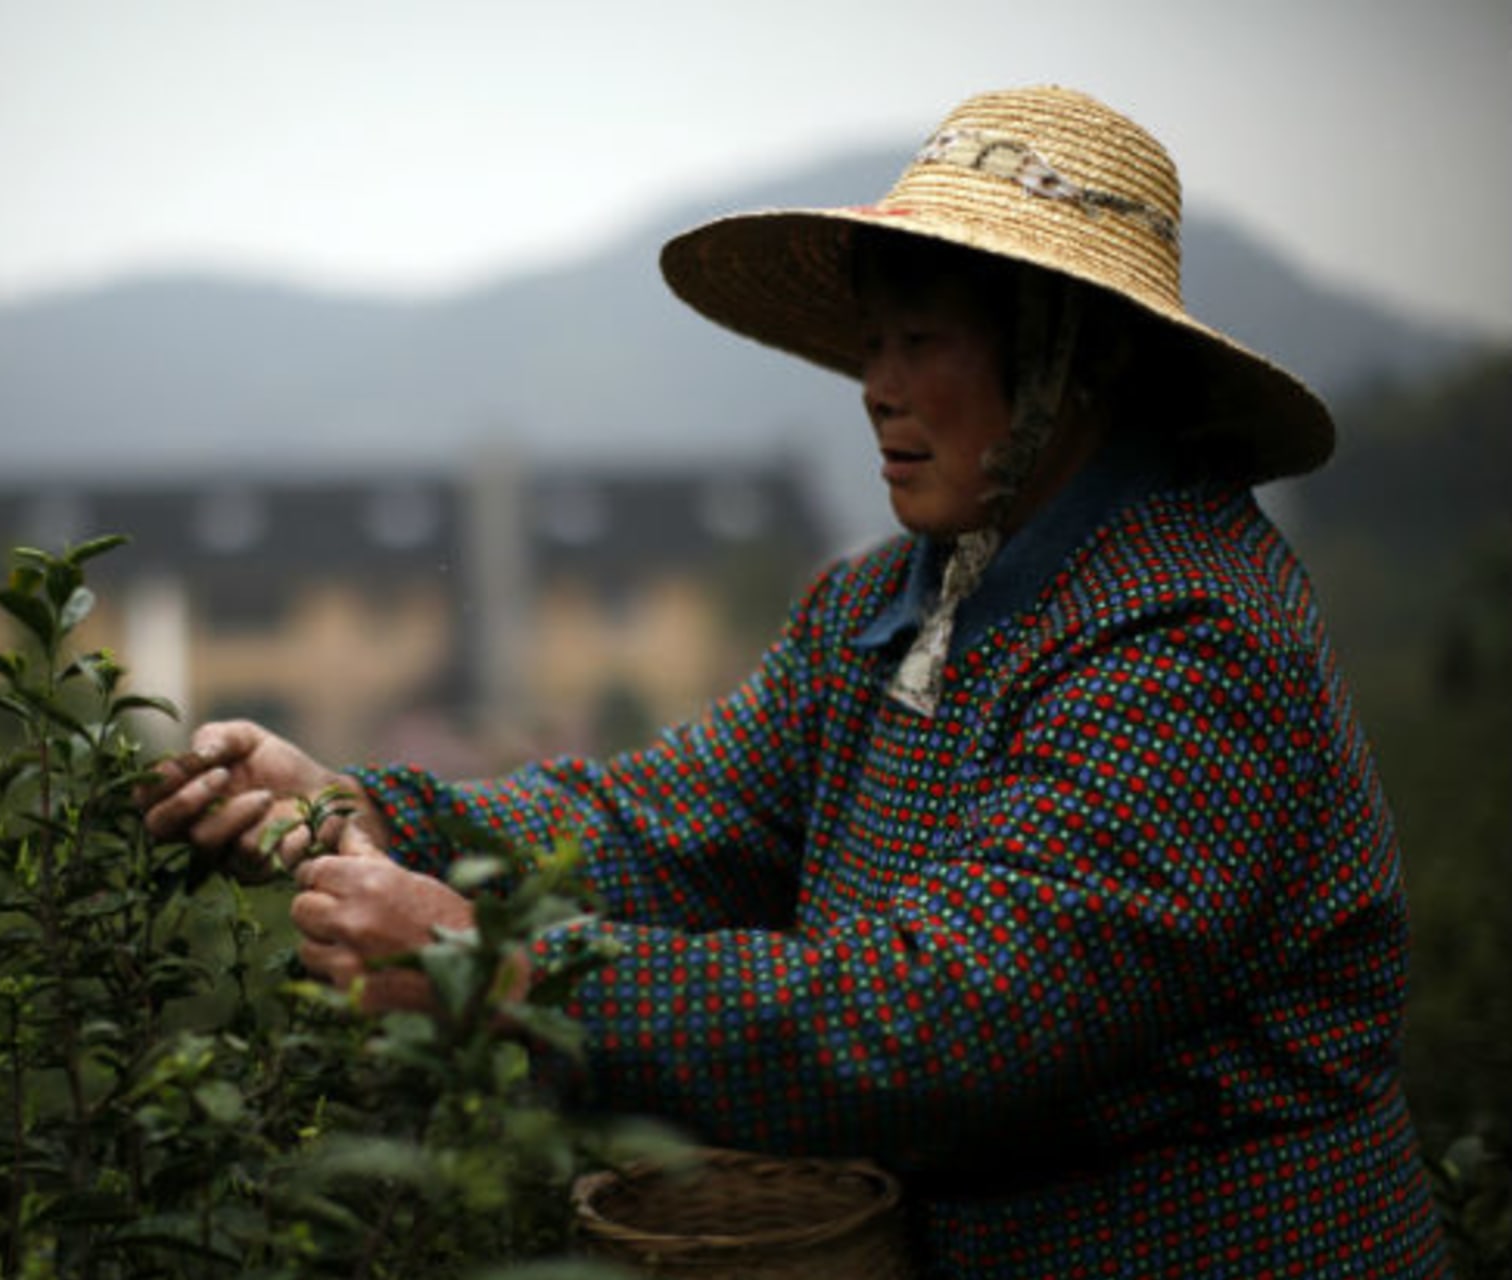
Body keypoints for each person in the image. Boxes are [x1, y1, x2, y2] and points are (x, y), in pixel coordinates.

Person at [141, 86, 1449, 1276]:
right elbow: (659, 824)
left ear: (1081, 357)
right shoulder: (887, 601)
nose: (875, 390)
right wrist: (373, 812)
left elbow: (951, 1018)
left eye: (921, 341)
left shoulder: (1186, 634)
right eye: (869, 345)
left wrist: (507, 973)